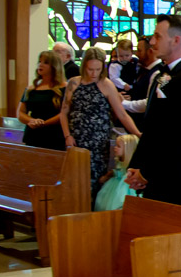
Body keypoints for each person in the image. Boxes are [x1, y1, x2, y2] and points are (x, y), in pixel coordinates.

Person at [126, 15, 181, 207]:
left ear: (176, 40)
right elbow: (152, 127)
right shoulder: (161, 75)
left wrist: (146, 172)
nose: (152, 42)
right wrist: (136, 165)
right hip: (154, 174)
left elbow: (177, 136)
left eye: (158, 36)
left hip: (172, 177)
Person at [59, 46, 141, 193]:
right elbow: (64, 113)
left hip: (98, 143)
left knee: (94, 182)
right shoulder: (73, 83)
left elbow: (122, 114)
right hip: (76, 139)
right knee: (75, 183)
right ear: (84, 66)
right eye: (90, 69)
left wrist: (138, 133)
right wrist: (67, 135)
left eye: (98, 69)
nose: (94, 73)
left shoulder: (107, 84)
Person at [17, 50, 67, 150]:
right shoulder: (31, 89)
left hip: (53, 135)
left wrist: (43, 123)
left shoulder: (64, 87)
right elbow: (20, 113)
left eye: (45, 62)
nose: (40, 65)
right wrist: (32, 121)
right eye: (39, 62)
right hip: (33, 134)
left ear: (54, 66)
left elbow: (65, 112)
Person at [95, 134, 140, 211]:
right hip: (114, 184)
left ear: (127, 149)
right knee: (104, 203)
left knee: (119, 203)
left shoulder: (130, 166)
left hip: (124, 186)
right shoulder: (119, 162)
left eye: (118, 146)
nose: (115, 148)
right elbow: (116, 172)